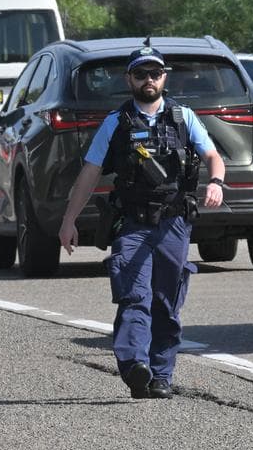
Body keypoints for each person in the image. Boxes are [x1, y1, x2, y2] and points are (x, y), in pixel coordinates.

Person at [58, 42, 225, 400]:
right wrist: (69, 220)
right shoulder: (115, 123)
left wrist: (216, 182)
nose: (148, 80)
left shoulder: (183, 118)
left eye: (155, 73)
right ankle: (136, 365)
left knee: (166, 302)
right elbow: (89, 174)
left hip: (174, 223)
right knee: (135, 296)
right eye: (140, 74)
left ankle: (161, 374)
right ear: (129, 79)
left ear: (164, 78)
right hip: (132, 225)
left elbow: (213, 155)